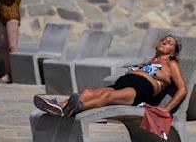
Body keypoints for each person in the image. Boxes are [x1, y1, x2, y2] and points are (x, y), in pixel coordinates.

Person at [33, 35, 188, 117]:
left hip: (141, 90)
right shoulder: (150, 61)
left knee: (107, 96)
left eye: (169, 43)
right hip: (123, 84)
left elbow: (182, 89)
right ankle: (58, 107)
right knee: (86, 92)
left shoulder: (172, 64)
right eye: (163, 40)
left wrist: (167, 109)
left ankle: (76, 108)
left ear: (174, 52)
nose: (164, 42)